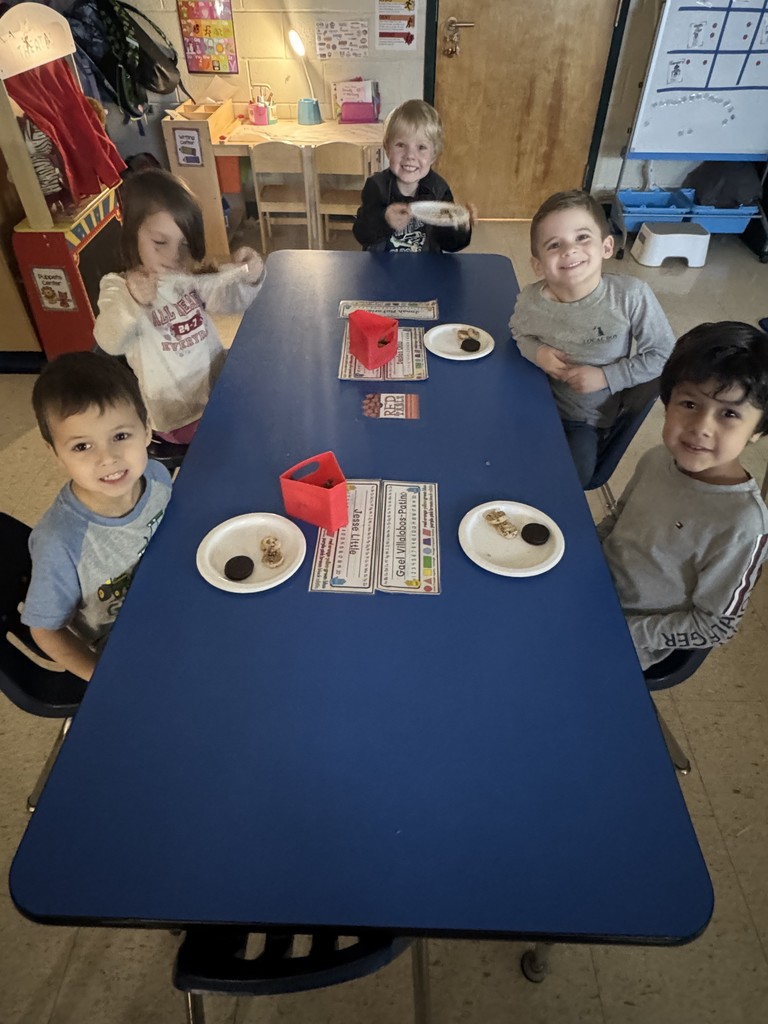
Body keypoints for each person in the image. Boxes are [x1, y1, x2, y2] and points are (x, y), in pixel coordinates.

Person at [599, 321, 768, 670]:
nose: (701, 427)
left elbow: (717, 625)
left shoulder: (744, 524)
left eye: (730, 413)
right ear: (668, 401)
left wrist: (621, 631)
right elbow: (617, 522)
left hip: (628, 640)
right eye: (689, 403)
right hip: (590, 588)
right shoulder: (657, 459)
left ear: (758, 430)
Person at [21, 352, 173, 682]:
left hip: (175, 601)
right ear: (55, 454)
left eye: (120, 436)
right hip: (126, 646)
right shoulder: (59, 542)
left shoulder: (158, 477)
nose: (108, 458)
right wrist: (99, 675)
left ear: (147, 431)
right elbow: (44, 629)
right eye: (81, 447)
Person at [509, 190, 675, 486]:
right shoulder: (532, 301)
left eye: (582, 237)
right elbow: (518, 332)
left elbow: (665, 355)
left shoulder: (630, 296)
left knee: (571, 481)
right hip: (531, 403)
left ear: (606, 246)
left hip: (585, 421)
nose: (569, 250)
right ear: (537, 265)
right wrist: (537, 353)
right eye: (554, 244)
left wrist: (607, 376)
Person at [94, 168, 265, 444]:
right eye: (160, 242)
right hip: (179, 416)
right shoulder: (119, 287)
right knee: (248, 436)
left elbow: (231, 302)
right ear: (131, 234)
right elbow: (109, 341)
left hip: (216, 389)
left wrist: (250, 274)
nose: (174, 256)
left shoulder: (187, 275)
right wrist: (134, 303)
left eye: (184, 245)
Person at [352, 99, 474, 253]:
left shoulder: (439, 190)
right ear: (387, 148)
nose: (410, 156)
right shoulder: (376, 186)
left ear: (434, 155)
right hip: (382, 270)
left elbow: (449, 244)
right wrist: (384, 219)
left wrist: (461, 227)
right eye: (401, 145)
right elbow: (362, 234)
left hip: (425, 270)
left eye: (421, 147)